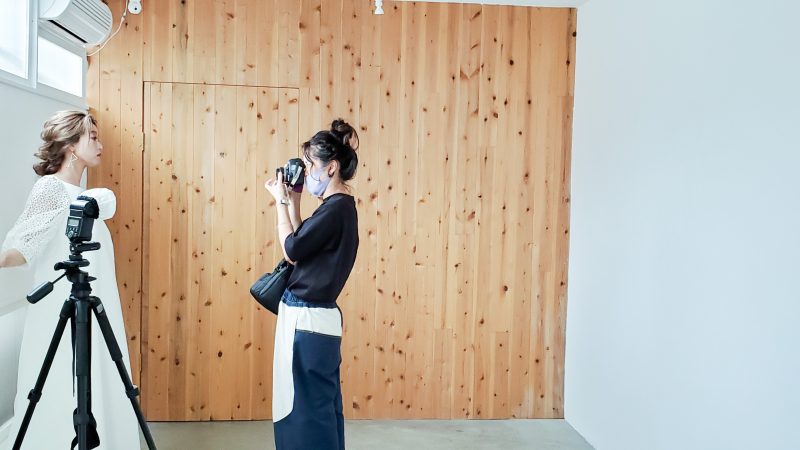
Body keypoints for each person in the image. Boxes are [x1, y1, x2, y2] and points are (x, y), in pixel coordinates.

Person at [0, 110, 139, 449]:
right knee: (62, 380)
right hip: (61, 311)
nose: (100, 144)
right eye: (93, 136)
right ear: (71, 145)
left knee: (98, 373)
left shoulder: (84, 195)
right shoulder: (50, 189)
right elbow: (21, 249)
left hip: (92, 303)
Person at [264, 119, 360, 450]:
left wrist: (279, 202)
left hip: (308, 320)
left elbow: (291, 250)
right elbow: (303, 242)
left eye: (311, 165)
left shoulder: (337, 210)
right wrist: (294, 200)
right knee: (316, 407)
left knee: (303, 411)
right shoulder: (336, 208)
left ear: (331, 167)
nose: (307, 172)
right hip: (312, 320)